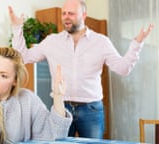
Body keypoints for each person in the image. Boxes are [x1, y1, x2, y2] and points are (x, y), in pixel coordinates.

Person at [8, 0, 153, 139]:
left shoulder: (101, 42)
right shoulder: (52, 41)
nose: (66, 17)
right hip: (61, 108)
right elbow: (23, 58)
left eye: (71, 13)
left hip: (91, 110)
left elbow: (123, 68)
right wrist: (16, 28)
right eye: (64, 13)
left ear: (84, 15)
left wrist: (137, 44)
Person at [0, 47, 72, 144]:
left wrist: (58, 96)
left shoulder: (27, 99)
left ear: (15, 80)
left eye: (3, 76)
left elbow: (55, 136)